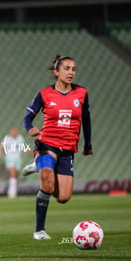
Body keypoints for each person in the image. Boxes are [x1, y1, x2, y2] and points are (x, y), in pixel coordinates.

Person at [22, 55, 93, 240]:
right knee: (47, 182)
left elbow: (86, 119)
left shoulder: (82, 93)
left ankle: (38, 166)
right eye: (67, 68)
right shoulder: (44, 94)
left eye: (73, 69)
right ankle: (39, 231)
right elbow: (27, 118)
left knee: (63, 197)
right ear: (56, 72)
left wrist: (88, 144)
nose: (71, 72)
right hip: (47, 142)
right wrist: (30, 129)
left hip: (68, 147)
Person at [0, 126, 26, 199]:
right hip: (10, 159)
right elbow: (0, 148)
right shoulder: (7, 139)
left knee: (15, 176)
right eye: (13, 131)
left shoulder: (20, 138)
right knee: (12, 174)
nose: (14, 132)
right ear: (10, 132)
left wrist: (29, 152)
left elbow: (24, 148)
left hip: (18, 159)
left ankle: (13, 191)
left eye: (15, 130)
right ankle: (12, 193)